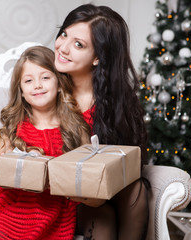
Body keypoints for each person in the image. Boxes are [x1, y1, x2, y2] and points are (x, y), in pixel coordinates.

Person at [54, 4, 150, 240]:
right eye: (64, 34)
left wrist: (97, 193)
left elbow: (124, 164)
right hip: (57, 193)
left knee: (135, 191)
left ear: (97, 57)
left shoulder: (115, 101)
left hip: (97, 193)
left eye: (78, 44)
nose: (63, 47)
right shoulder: (45, 87)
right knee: (102, 216)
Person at [0, 46, 92, 240]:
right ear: (21, 91)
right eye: (29, 80)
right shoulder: (15, 127)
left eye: (45, 77)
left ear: (59, 83)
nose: (37, 85)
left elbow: (88, 174)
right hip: (6, 213)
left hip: (53, 214)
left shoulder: (75, 127)